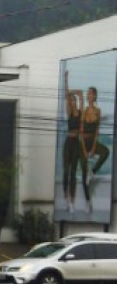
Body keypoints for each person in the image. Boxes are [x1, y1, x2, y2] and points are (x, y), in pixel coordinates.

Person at [81, 85, 110, 214]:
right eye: (88, 94)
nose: (89, 96)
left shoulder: (98, 111)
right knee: (83, 173)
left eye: (91, 93)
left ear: (95, 96)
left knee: (106, 152)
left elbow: (97, 130)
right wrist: (84, 150)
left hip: (92, 141)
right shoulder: (84, 111)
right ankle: (87, 202)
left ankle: (92, 171)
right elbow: (81, 132)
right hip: (83, 142)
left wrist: (93, 148)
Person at [61, 71, 83, 213]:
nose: (72, 102)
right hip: (68, 141)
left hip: (76, 143)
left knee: (74, 172)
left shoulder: (80, 112)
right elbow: (66, 94)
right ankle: (66, 200)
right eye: (71, 100)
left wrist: (73, 93)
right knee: (66, 172)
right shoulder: (69, 112)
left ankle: (73, 202)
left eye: (73, 100)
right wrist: (66, 80)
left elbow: (81, 93)